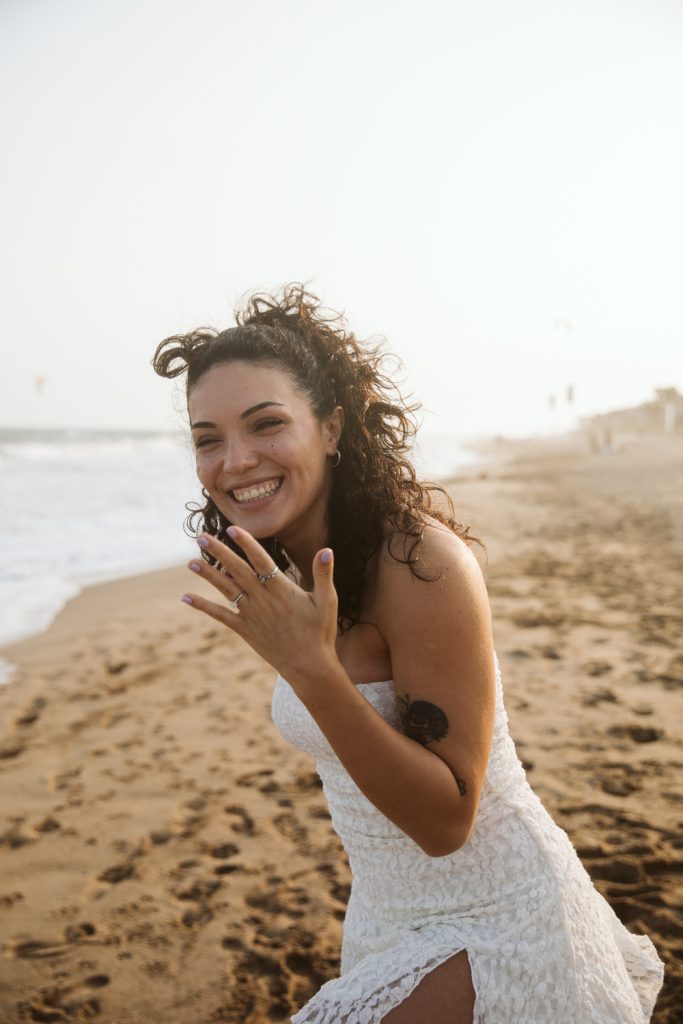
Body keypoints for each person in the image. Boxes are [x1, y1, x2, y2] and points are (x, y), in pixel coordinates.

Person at [152, 283, 664, 1023]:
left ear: (331, 428)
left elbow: (446, 820)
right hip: (385, 922)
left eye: (266, 424)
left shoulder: (420, 563)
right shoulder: (289, 572)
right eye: (207, 438)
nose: (234, 460)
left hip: (496, 928)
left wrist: (309, 667)